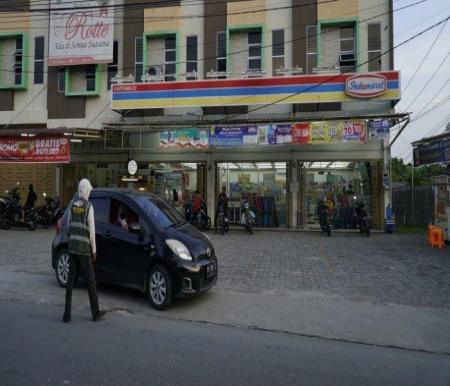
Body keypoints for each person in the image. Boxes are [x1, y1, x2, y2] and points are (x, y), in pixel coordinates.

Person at [63, 178, 106, 323]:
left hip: (72, 248)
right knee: (91, 282)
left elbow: (68, 226)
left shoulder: (72, 205)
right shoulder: (89, 207)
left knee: (70, 282)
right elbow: (92, 232)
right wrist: (94, 250)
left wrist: (73, 239)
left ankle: (66, 315)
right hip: (84, 250)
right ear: (86, 190)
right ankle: (95, 313)